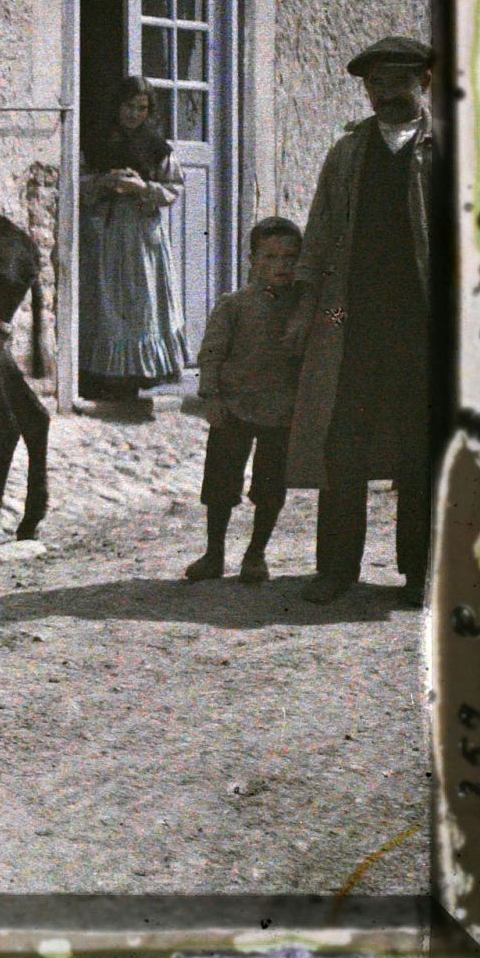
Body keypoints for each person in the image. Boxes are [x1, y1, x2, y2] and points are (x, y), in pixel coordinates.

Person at [284, 35, 440, 608]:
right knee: (341, 443)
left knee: (421, 448)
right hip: (352, 321)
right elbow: (321, 228)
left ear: (423, 85)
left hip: (427, 325)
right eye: (375, 85)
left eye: (397, 83)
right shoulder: (348, 153)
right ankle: (335, 569)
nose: (384, 95)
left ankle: (421, 573)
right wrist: (306, 307)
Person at [184, 217, 303, 583]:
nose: (280, 265)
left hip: (281, 411)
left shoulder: (303, 309)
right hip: (234, 408)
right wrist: (211, 397)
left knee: (271, 487)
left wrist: (337, 311)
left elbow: (336, 320)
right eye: (269, 257)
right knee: (220, 483)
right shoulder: (234, 305)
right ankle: (214, 553)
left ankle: (256, 554)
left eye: (288, 257)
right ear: (252, 260)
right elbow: (212, 353)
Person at [80, 76, 189, 406]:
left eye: (141, 108)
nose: (134, 114)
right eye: (128, 107)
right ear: (117, 107)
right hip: (108, 231)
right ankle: (107, 374)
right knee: (109, 300)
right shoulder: (98, 142)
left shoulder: (156, 146)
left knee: (142, 301)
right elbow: (80, 180)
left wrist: (144, 189)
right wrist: (104, 181)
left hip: (142, 232)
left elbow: (175, 186)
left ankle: (142, 372)